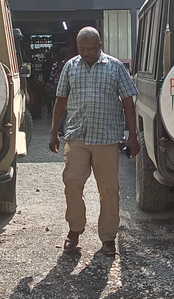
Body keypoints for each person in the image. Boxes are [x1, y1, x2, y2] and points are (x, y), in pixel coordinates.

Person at [48, 27, 140, 257]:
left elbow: (129, 102)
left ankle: (108, 238)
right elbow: (61, 100)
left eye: (91, 48)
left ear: (100, 45)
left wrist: (133, 134)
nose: (86, 53)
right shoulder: (70, 67)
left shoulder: (115, 67)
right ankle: (74, 230)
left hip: (106, 138)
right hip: (77, 135)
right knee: (72, 183)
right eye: (82, 49)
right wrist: (53, 132)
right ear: (76, 48)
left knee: (109, 190)